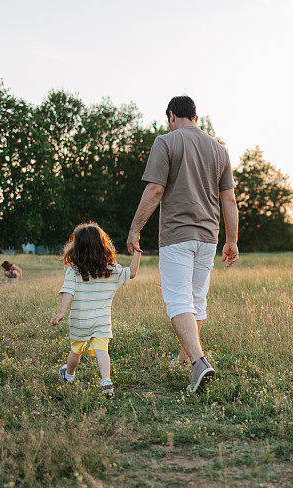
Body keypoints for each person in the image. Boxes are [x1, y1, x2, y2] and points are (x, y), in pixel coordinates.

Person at [127, 95, 239, 394]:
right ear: (197, 118)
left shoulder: (166, 141)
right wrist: (231, 240)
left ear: (171, 116)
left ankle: (199, 363)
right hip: (208, 238)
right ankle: (184, 354)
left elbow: (154, 189)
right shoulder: (219, 150)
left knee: (178, 300)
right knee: (196, 299)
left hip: (177, 235)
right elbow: (228, 199)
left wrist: (135, 229)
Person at [51, 222, 141, 398]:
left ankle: (68, 375)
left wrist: (61, 312)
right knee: (102, 351)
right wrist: (137, 252)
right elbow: (132, 273)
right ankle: (106, 381)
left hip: (80, 320)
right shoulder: (111, 270)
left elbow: (68, 291)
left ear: (76, 247)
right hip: (101, 321)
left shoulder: (74, 270)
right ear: (103, 244)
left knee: (76, 351)